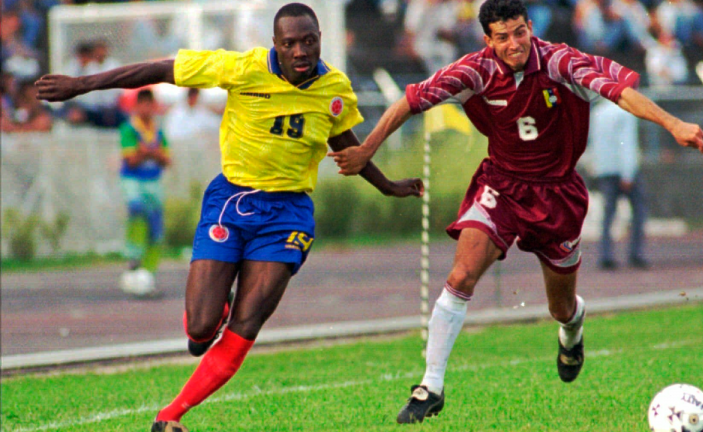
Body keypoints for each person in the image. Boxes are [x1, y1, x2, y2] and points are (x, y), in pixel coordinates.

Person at [36, 3, 423, 432]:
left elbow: (343, 137)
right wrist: (82, 84)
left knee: (248, 318)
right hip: (231, 201)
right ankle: (211, 307)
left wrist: (387, 185)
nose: (300, 50)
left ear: (319, 40)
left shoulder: (334, 89)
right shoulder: (241, 67)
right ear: (274, 43)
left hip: (288, 215)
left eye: (308, 41)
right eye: (290, 42)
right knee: (200, 333)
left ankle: (170, 416)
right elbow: (163, 68)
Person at [330, 0, 703, 424]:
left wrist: (673, 124)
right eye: (503, 37)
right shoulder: (474, 70)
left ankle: (573, 327)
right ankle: (430, 385)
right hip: (502, 184)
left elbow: (619, 92)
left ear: (530, 27)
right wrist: (366, 150)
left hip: (557, 194)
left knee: (559, 307)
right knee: (460, 275)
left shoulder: (561, 61)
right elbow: (408, 102)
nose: (514, 44)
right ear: (488, 40)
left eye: (519, 33)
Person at [118, 88, 170, 296]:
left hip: (153, 181)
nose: (147, 108)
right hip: (134, 180)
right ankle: (134, 257)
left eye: (151, 104)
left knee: (156, 226)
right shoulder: (129, 128)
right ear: (136, 106)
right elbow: (131, 159)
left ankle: (148, 273)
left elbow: (166, 159)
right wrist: (152, 152)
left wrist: (145, 151)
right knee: (136, 209)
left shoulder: (158, 130)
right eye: (143, 104)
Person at [589, 98, 648, 270]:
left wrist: (596, 166)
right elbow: (627, 143)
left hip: (605, 168)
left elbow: (594, 141)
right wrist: (628, 173)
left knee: (608, 215)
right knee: (639, 211)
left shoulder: (597, 112)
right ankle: (636, 253)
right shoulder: (625, 111)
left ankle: (605, 254)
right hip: (623, 169)